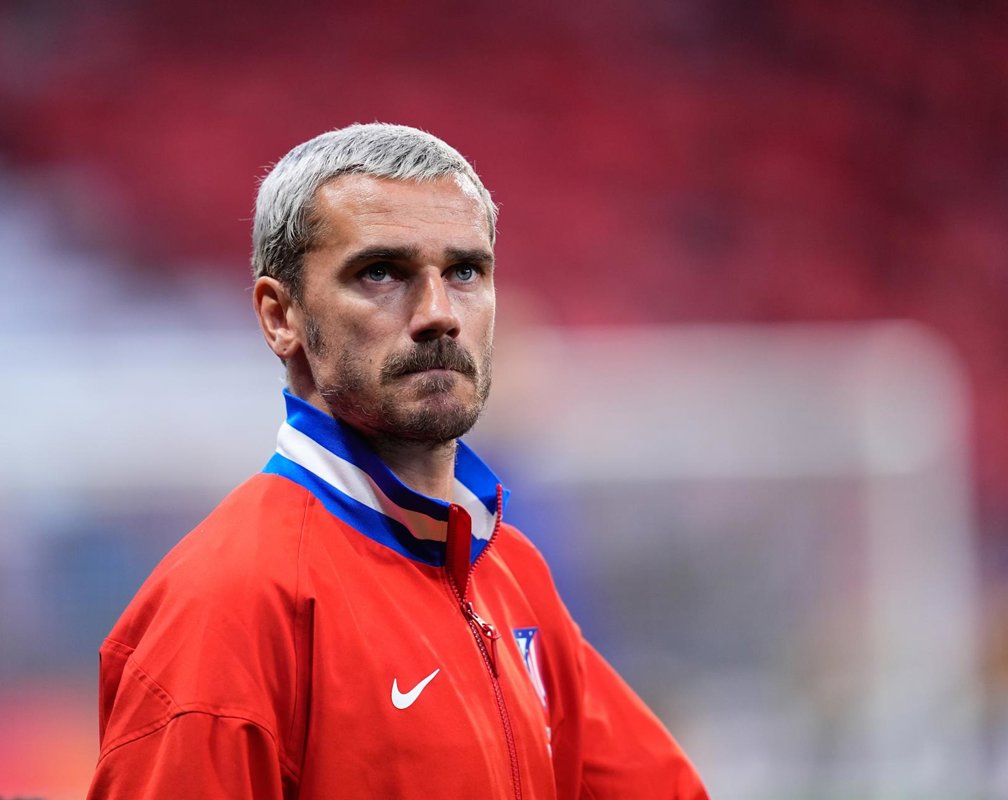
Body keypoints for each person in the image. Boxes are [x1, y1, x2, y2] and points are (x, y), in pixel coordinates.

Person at [87, 123, 708, 799]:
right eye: (380, 272)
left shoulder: (508, 569)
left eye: (465, 271)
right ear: (280, 317)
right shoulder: (226, 607)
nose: (439, 313)